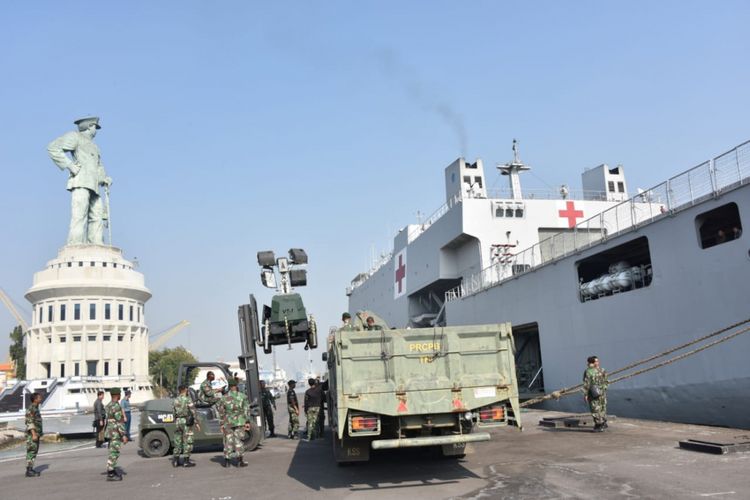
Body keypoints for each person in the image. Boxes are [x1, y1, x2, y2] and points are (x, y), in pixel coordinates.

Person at [47, 117, 112, 245]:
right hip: (81, 181)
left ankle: (96, 244)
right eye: (95, 127)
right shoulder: (75, 136)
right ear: (89, 126)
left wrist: (104, 178)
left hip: (95, 185)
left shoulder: (95, 146)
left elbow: (98, 166)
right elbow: (53, 148)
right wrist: (70, 165)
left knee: (97, 216)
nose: (96, 130)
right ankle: (75, 244)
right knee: (79, 215)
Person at [218, 379, 250, 467]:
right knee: (238, 441)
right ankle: (240, 461)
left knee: (228, 441)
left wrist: (221, 424)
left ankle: (227, 462)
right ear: (236, 385)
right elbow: (246, 410)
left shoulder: (223, 397)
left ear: (229, 385)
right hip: (239, 421)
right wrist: (247, 422)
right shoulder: (243, 396)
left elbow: (221, 412)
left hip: (227, 422)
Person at [172, 384, 200, 467]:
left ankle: (176, 461)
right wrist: (197, 423)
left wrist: (176, 420)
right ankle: (186, 461)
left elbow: (173, 412)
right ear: (185, 390)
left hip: (178, 421)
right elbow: (193, 412)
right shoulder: (188, 399)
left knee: (178, 440)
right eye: (187, 389)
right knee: (188, 441)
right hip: (186, 421)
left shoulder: (175, 400)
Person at [104, 388, 128, 481]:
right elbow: (119, 421)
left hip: (109, 432)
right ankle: (110, 473)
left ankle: (112, 470)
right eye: (119, 394)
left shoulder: (109, 405)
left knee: (112, 451)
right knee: (114, 452)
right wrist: (124, 435)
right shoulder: (116, 406)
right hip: (115, 433)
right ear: (117, 395)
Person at [582, 356, 609, 432]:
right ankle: (603, 423)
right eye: (596, 361)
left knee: (595, 409)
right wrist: (603, 389)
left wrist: (585, 394)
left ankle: (599, 425)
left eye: (597, 361)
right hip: (601, 392)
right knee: (602, 407)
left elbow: (586, 384)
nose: (598, 362)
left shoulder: (588, 371)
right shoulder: (602, 370)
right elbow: (607, 382)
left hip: (594, 393)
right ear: (592, 363)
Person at [25, 392, 43, 477]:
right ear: (35, 399)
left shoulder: (36, 408)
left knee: (34, 452)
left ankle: (30, 469)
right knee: (31, 451)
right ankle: (29, 471)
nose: (41, 399)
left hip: (36, 434)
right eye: (39, 398)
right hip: (32, 434)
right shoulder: (31, 408)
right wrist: (34, 434)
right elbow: (29, 422)